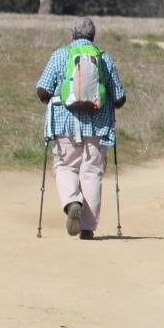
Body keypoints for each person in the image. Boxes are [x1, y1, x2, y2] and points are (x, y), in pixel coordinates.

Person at [34, 17, 127, 241]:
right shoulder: (104, 58)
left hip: (64, 124)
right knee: (92, 173)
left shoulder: (60, 55)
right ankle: (87, 228)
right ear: (93, 36)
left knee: (65, 166)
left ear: (72, 35)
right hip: (97, 127)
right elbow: (119, 98)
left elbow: (42, 90)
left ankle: (72, 202)